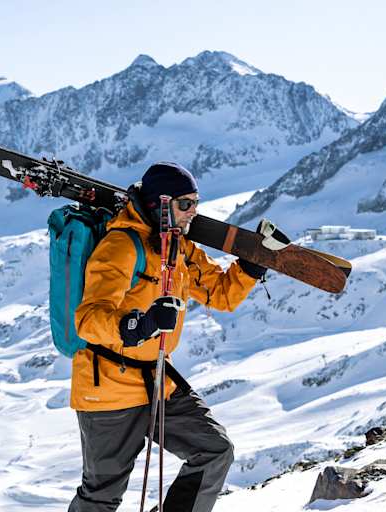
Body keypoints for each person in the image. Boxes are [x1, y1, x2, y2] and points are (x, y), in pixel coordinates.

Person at [69, 162, 274, 512]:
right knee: (101, 497)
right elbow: (88, 319)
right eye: (185, 204)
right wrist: (140, 325)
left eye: (196, 202)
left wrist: (251, 266)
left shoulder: (178, 248)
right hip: (109, 389)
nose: (193, 212)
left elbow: (219, 294)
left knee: (214, 451)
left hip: (157, 381)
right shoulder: (121, 245)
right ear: (160, 204)